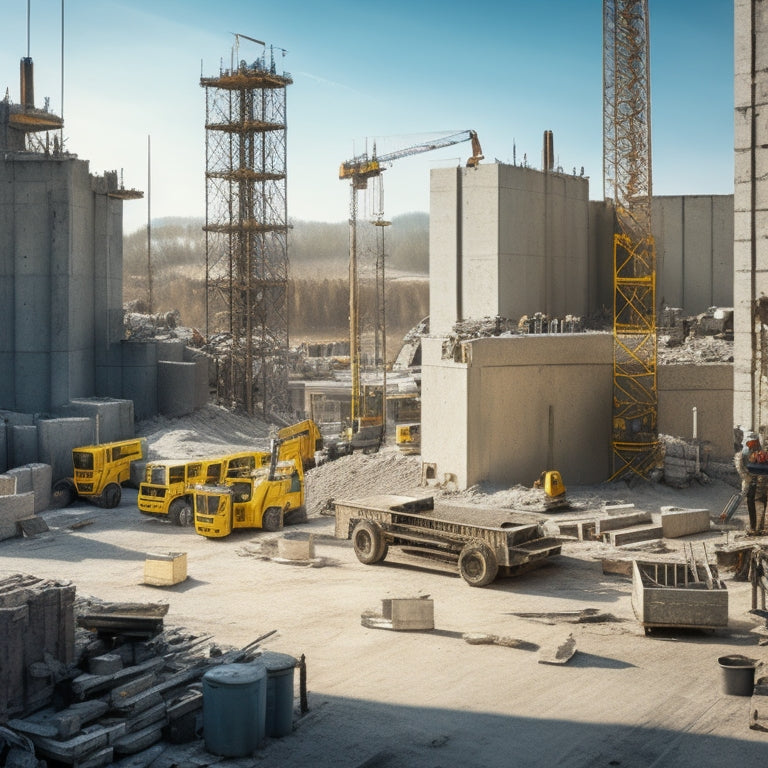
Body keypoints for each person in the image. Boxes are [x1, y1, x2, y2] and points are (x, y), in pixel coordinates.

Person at [735, 431, 768, 533]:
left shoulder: (761, 453)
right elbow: (741, 468)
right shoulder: (743, 454)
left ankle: (760, 527)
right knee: (751, 503)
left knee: (761, 503)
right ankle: (753, 527)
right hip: (750, 483)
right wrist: (748, 478)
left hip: (760, 483)